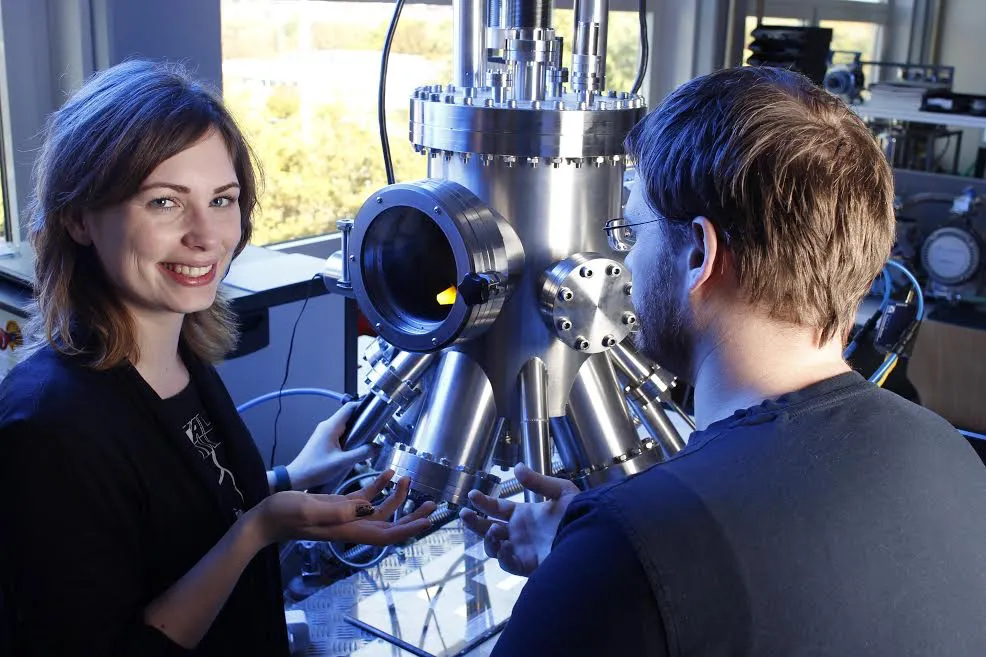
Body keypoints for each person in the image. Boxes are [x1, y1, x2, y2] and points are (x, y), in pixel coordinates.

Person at [462, 66, 986, 656]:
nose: (623, 263)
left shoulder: (628, 556)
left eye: (631, 232)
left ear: (699, 256)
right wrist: (582, 553)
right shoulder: (948, 452)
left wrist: (594, 567)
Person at [0, 60, 435, 657]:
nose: (207, 235)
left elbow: (176, 524)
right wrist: (260, 528)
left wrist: (287, 481)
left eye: (222, 199)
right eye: (163, 202)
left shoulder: (177, 354)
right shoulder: (49, 428)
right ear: (78, 218)